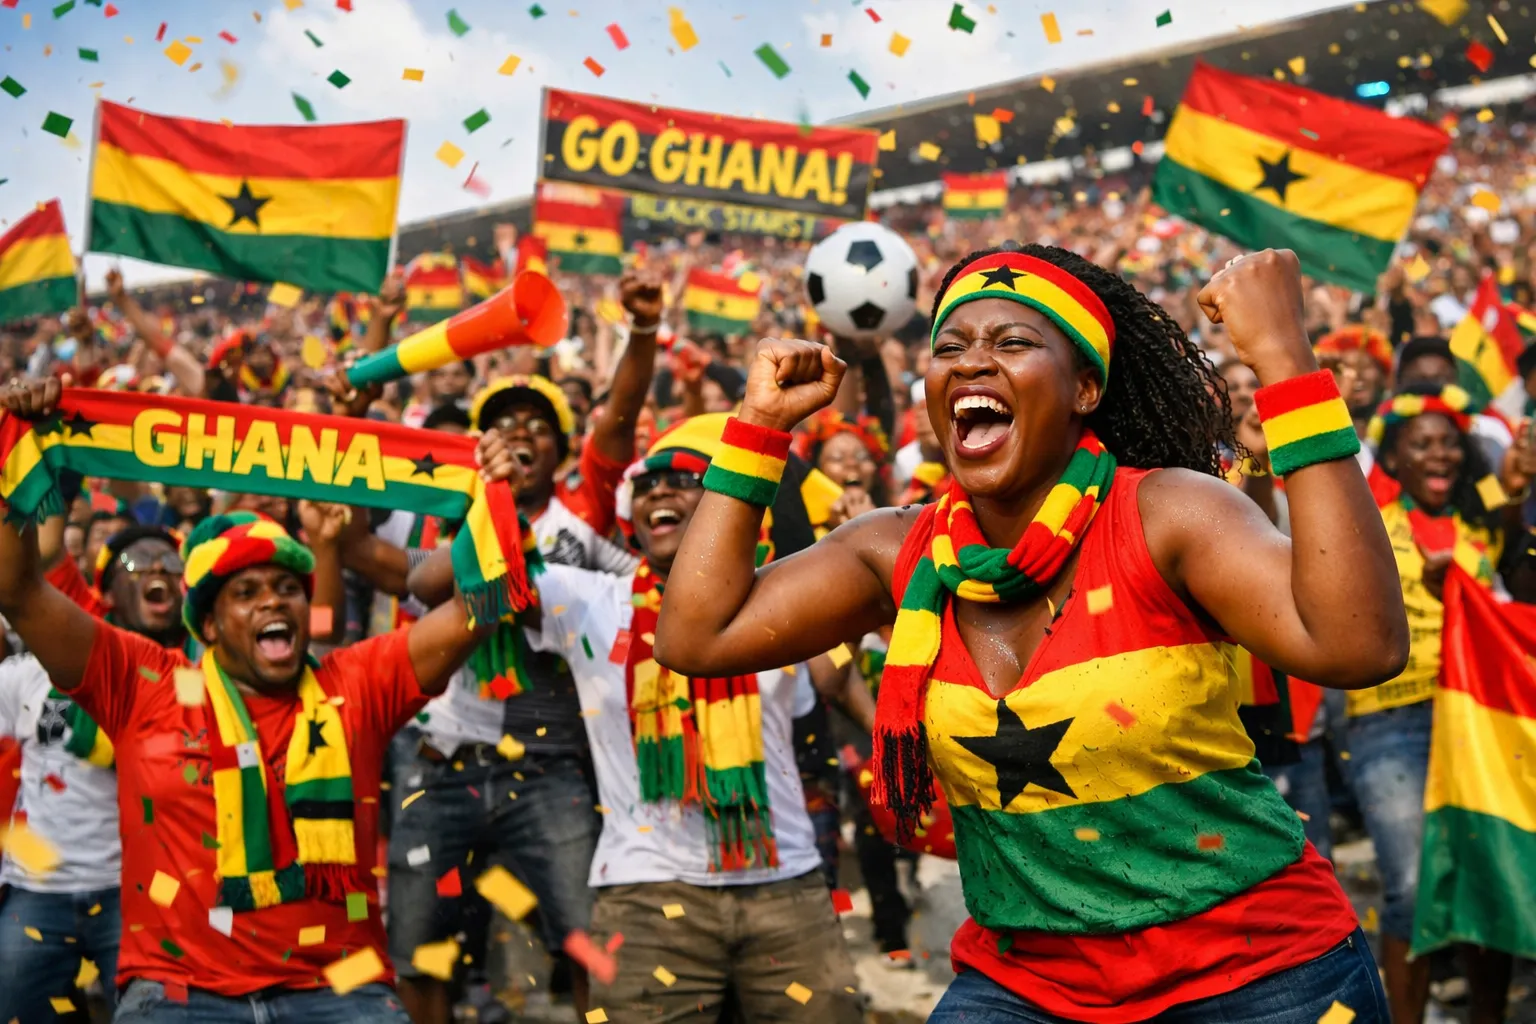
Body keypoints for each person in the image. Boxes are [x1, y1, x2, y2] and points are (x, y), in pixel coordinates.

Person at [655, 245, 1410, 1022]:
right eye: (949, 348)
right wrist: (758, 427)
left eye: (1011, 344)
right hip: (1028, 985)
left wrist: (1286, 359)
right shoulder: (893, 550)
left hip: (1261, 976)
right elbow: (698, 639)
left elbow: (1360, 644)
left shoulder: (1170, 514)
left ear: (1086, 387)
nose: (972, 362)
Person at [0, 376, 519, 1023]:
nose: (274, 600)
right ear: (209, 626)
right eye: (246, 593)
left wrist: (494, 496)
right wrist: (16, 451)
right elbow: (18, 590)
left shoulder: (353, 682)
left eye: (286, 587)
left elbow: (483, 604)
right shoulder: (144, 681)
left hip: (342, 988)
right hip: (177, 991)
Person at [364, 269, 662, 1024]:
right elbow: (369, 550)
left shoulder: (584, 506)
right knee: (423, 950)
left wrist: (644, 331)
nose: (520, 434)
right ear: (477, 447)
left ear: (564, 447)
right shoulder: (441, 523)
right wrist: (368, 364)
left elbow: (622, 412)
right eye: (503, 423)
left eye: (537, 423)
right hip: (441, 764)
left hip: (552, 766)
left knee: (588, 941)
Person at [500, 413, 862, 1024]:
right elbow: (478, 578)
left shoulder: (779, 602)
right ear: (631, 519)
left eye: (682, 480)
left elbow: (833, 674)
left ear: (726, 509)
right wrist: (496, 495)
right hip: (645, 894)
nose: (659, 491)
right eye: (645, 486)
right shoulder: (588, 601)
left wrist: (845, 584)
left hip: (786, 887)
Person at [1348, 381, 1527, 1024]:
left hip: (1473, 719)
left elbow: (1511, 584)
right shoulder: (1371, 511)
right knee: (1412, 886)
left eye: (1449, 444)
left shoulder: (1480, 520)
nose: (1439, 455)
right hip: (1387, 721)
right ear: (1394, 456)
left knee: (1485, 877)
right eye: (1421, 444)